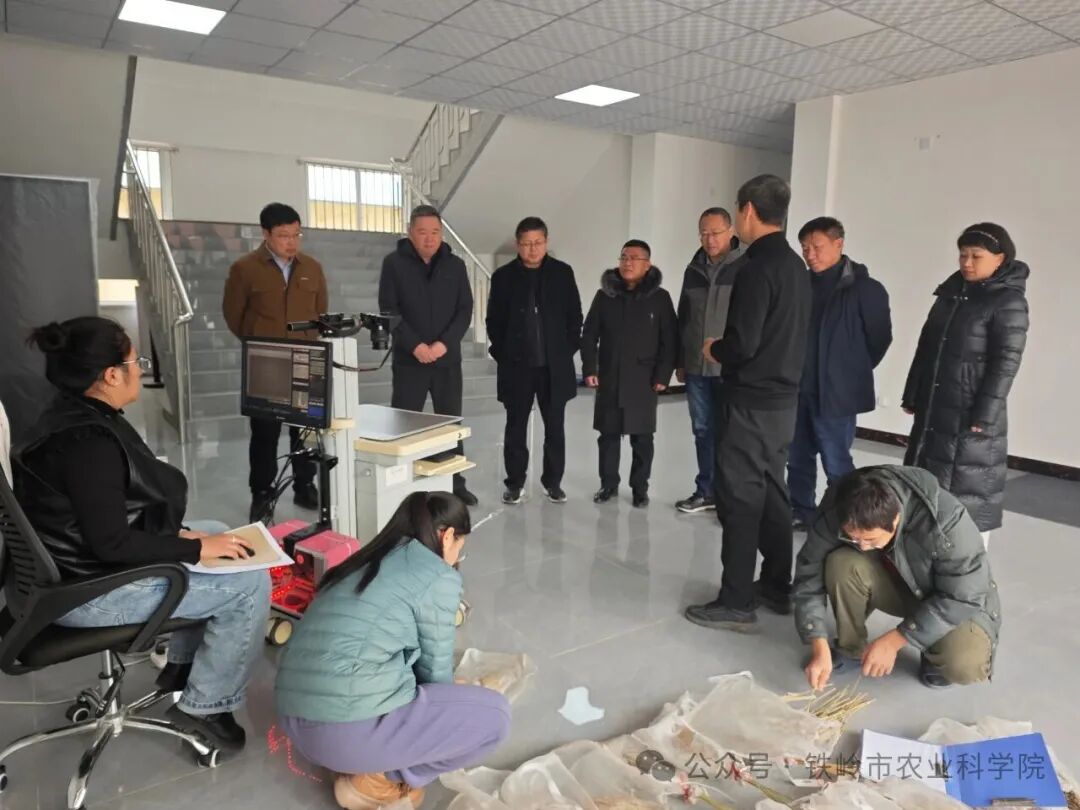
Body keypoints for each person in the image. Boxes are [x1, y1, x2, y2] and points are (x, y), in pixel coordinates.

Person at [14, 317, 270, 751]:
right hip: (87, 592)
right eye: (137, 362)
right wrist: (193, 549)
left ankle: (183, 668)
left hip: (66, 569)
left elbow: (100, 521)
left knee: (217, 532)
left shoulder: (68, 413)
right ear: (112, 375)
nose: (141, 369)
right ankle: (207, 708)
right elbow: (112, 545)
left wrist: (192, 539)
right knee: (248, 583)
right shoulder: (88, 444)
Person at [275, 492, 510, 810]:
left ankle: (357, 761)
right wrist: (460, 697)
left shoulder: (365, 561)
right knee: (495, 717)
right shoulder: (437, 575)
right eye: (460, 547)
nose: (457, 557)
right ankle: (379, 779)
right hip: (340, 735)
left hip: (295, 722)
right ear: (448, 536)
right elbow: (436, 674)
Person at [684, 175, 811, 633]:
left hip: (750, 402)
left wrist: (715, 348)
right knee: (773, 492)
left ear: (748, 211)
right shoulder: (795, 266)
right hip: (783, 403)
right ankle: (777, 584)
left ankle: (736, 599)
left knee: (738, 498)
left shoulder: (756, 268)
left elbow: (743, 344)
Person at [793, 466, 1000, 690]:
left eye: (871, 539)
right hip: (895, 582)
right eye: (853, 539)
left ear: (896, 519)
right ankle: (850, 648)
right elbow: (809, 574)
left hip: (946, 596)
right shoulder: (841, 507)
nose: (862, 547)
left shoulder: (946, 520)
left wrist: (896, 640)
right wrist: (818, 642)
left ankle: (935, 654)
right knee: (841, 563)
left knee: (963, 664)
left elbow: (964, 596)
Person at [902, 223, 1029, 547]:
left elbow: (1006, 362)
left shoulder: (1008, 301)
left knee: (969, 493)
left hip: (971, 413)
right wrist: (913, 392)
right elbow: (926, 347)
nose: (967, 263)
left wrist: (984, 414)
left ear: (1000, 259)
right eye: (963, 255)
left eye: (976, 256)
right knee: (927, 487)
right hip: (936, 408)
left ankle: (970, 568)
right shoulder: (951, 294)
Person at [222, 202, 328, 522]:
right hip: (265, 363)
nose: (291, 242)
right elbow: (234, 315)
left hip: (305, 359)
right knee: (265, 434)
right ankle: (262, 493)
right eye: (284, 236)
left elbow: (321, 311)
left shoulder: (312, 268)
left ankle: (304, 484)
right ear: (265, 234)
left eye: (296, 235)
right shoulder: (245, 269)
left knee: (305, 430)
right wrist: (260, 342)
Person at [789, 217, 892, 530]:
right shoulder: (800, 285)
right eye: (805, 248)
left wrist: (849, 369)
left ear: (839, 244)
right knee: (797, 457)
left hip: (836, 393)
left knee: (836, 460)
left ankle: (846, 519)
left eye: (817, 247)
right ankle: (800, 510)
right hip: (798, 389)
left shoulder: (865, 289)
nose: (810, 255)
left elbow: (879, 339)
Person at [379, 205, 477, 506]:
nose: (429, 238)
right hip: (410, 360)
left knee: (450, 423)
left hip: (447, 359)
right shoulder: (394, 264)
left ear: (441, 233)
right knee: (405, 423)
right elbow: (389, 310)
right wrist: (416, 346)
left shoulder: (455, 266)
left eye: (435, 232)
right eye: (422, 232)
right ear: (410, 232)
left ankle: (454, 482)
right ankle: (403, 484)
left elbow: (465, 310)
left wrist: (444, 344)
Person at [487, 217, 583, 505]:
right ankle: (514, 483)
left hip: (553, 367)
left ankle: (553, 483)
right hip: (517, 367)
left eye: (538, 242)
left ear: (546, 242)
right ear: (518, 244)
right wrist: (503, 354)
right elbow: (494, 321)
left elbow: (575, 316)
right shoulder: (503, 277)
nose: (533, 249)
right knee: (515, 427)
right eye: (527, 243)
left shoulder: (562, 273)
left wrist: (566, 350)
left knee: (555, 428)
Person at [581, 240, 677, 508]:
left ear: (647, 265)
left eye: (635, 258)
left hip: (644, 379)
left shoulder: (660, 298)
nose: (628, 262)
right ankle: (608, 484)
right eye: (624, 257)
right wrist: (590, 368)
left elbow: (670, 340)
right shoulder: (605, 296)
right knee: (608, 436)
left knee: (642, 438)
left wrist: (663, 376)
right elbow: (589, 335)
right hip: (610, 376)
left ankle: (640, 488)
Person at [674, 207, 744, 514]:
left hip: (731, 368)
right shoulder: (693, 269)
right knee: (702, 430)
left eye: (715, 233)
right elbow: (684, 317)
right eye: (703, 233)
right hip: (696, 367)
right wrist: (680, 359)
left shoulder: (746, 266)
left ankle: (731, 495)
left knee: (732, 433)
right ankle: (706, 491)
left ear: (730, 232)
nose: (709, 239)